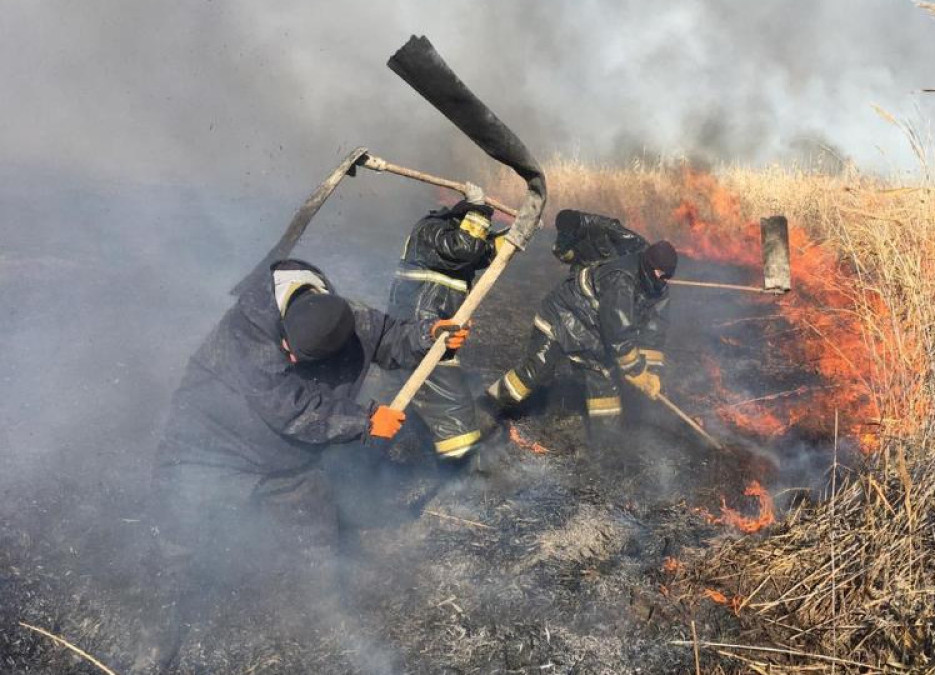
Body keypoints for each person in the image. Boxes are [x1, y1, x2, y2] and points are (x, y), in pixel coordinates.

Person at [135, 258, 467, 671]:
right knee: (176, 540)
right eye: (288, 348)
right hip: (207, 448)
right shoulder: (247, 329)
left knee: (314, 533)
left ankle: (324, 612)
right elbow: (290, 409)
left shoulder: (344, 318)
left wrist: (426, 336)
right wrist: (365, 421)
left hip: (284, 460)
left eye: (299, 356)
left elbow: (385, 337)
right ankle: (155, 644)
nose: (289, 357)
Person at [486, 214, 676, 443]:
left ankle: (607, 445)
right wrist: (637, 373)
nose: (664, 281)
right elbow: (618, 333)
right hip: (563, 319)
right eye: (661, 275)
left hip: (594, 336)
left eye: (667, 277)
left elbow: (654, 329)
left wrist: (652, 372)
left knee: (605, 391)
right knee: (534, 373)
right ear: (650, 267)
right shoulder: (622, 278)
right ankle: (487, 407)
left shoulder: (658, 288)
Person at [376, 182, 507, 464]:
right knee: (454, 412)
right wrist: (481, 211)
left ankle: (424, 454)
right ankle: (463, 473)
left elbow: (482, 252)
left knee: (436, 402)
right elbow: (464, 248)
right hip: (422, 331)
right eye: (473, 223)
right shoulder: (431, 229)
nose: (477, 230)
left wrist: (518, 233)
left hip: (430, 330)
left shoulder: (449, 239)